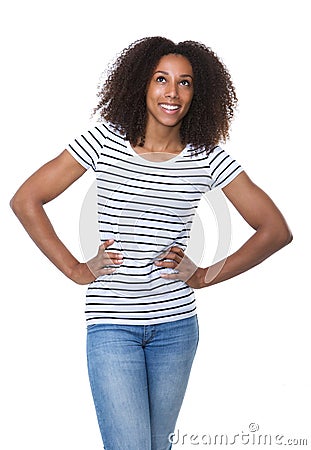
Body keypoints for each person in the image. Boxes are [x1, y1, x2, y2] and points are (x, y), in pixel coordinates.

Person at [10, 36, 292, 450]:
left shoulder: (206, 158)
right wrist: (74, 269)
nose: (172, 92)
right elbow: (26, 199)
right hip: (112, 326)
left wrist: (205, 275)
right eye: (161, 79)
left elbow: (275, 230)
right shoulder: (105, 141)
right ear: (142, 84)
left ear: (199, 93)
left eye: (185, 82)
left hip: (176, 328)